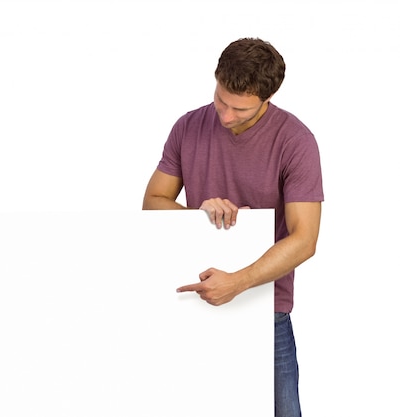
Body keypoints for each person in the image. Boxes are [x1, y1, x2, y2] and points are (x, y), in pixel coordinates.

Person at [142, 38, 323, 417]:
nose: (224, 116)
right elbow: (152, 203)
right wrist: (196, 212)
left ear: (267, 98)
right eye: (220, 100)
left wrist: (237, 281)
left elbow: (305, 240)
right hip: (189, 299)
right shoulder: (188, 126)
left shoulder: (296, 141)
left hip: (265, 309)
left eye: (239, 108)